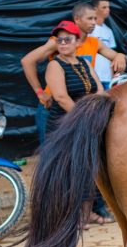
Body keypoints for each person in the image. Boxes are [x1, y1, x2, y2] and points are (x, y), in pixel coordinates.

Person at [21, 2, 127, 144]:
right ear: (77, 19)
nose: (94, 23)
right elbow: (27, 61)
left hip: (81, 108)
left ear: (77, 43)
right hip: (55, 107)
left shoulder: (94, 42)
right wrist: (39, 92)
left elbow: (117, 57)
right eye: (90, 19)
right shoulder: (57, 42)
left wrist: (120, 56)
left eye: (95, 19)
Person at [43, 20, 105, 227]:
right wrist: (85, 118)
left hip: (85, 122)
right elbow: (61, 97)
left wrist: (96, 111)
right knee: (67, 172)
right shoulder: (54, 65)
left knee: (88, 169)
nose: (62, 43)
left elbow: (98, 89)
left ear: (78, 42)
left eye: (67, 39)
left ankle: (86, 214)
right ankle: (68, 217)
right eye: (58, 39)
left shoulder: (84, 63)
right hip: (64, 125)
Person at [89, 0, 118, 90]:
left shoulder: (109, 30)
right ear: (94, 9)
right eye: (104, 7)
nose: (108, 10)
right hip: (92, 78)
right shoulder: (88, 29)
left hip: (108, 78)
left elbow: (112, 56)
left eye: (108, 7)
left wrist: (113, 76)